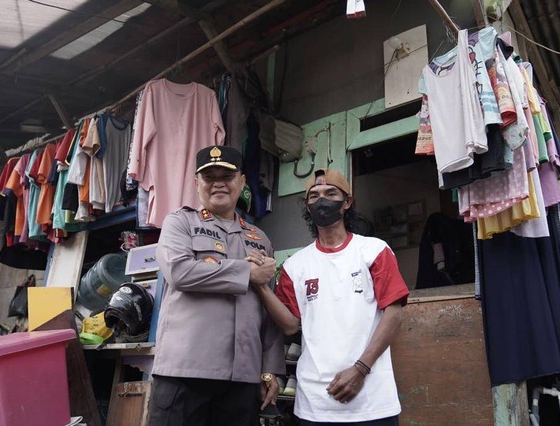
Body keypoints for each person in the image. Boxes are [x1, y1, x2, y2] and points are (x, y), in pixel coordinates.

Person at [247, 169, 410, 426]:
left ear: (347, 203)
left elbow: (394, 313)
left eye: (330, 193)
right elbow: (290, 325)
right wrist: (261, 286)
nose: (322, 200)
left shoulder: (374, 250)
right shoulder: (295, 266)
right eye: (314, 196)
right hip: (314, 404)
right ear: (308, 207)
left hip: (372, 400)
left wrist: (360, 369)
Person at [150, 145, 285, 426]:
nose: (218, 183)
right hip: (185, 371)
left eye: (227, 175)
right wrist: (245, 272)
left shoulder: (260, 238)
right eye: (209, 177)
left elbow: (268, 307)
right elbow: (180, 272)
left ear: (242, 181)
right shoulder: (180, 223)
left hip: (243, 377)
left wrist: (271, 369)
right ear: (196, 183)